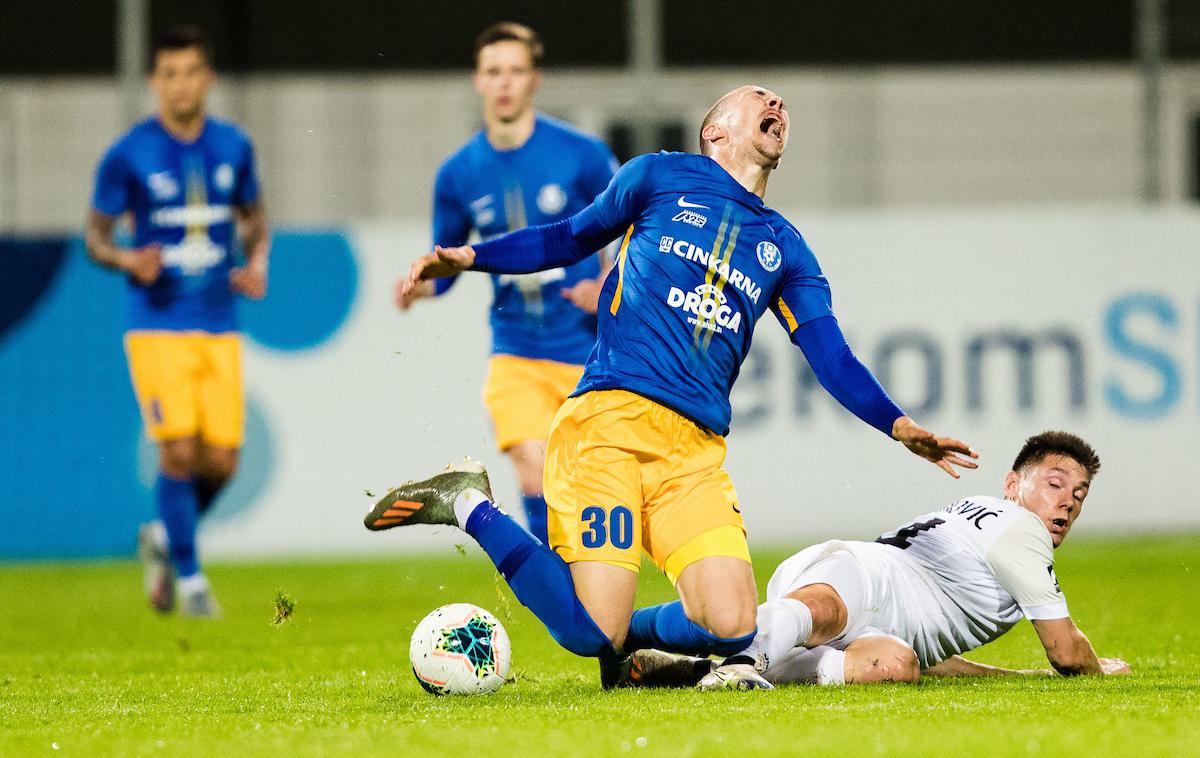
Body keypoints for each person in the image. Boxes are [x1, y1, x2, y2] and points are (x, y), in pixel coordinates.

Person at [370, 84, 976, 687]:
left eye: (783, 104)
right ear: (715, 132)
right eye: (759, 98)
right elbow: (568, 237)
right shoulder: (658, 178)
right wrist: (472, 257)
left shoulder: (787, 248)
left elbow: (832, 356)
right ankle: (468, 504)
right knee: (588, 635)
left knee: (734, 624)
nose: (778, 106)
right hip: (609, 425)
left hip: (693, 454)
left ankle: (632, 643)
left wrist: (898, 425)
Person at [630, 431, 1130, 689]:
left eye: (1080, 494)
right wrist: (1098, 671)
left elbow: (933, 652)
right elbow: (1066, 651)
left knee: (893, 667)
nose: (1067, 501)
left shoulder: (987, 528)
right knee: (821, 611)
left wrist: (1017, 679)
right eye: (1055, 483)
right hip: (866, 575)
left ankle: (693, 671)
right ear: (1011, 485)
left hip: (876, 610)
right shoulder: (1019, 530)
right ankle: (735, 659)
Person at [393, 22, 618, 543]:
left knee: (592, 486)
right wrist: (420, 287)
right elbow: (449, 267)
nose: (504, 83)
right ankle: (557, 592)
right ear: (477, 79)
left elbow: (636, 229)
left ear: (535, 79)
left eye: (516, 71)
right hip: (515, 350)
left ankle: (587, 590)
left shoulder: (582, 155)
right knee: (533, 470)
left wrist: (609, 283)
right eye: (494, 72)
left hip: (587, 351)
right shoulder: (458, 174)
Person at [84, 26, 270, 617]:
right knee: (179, 453)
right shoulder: (129, 153)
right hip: (157, 322)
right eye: (169, 73)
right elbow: (96, 235)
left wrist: (257, 260)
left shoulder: (234, 146)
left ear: (207, 78)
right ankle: (190, 583)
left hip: (218, 321)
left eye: (191, 71)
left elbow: (255, 216)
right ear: (153, 81)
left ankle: (166, 537)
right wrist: (125, 258)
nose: (180, 84)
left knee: (223, 463)